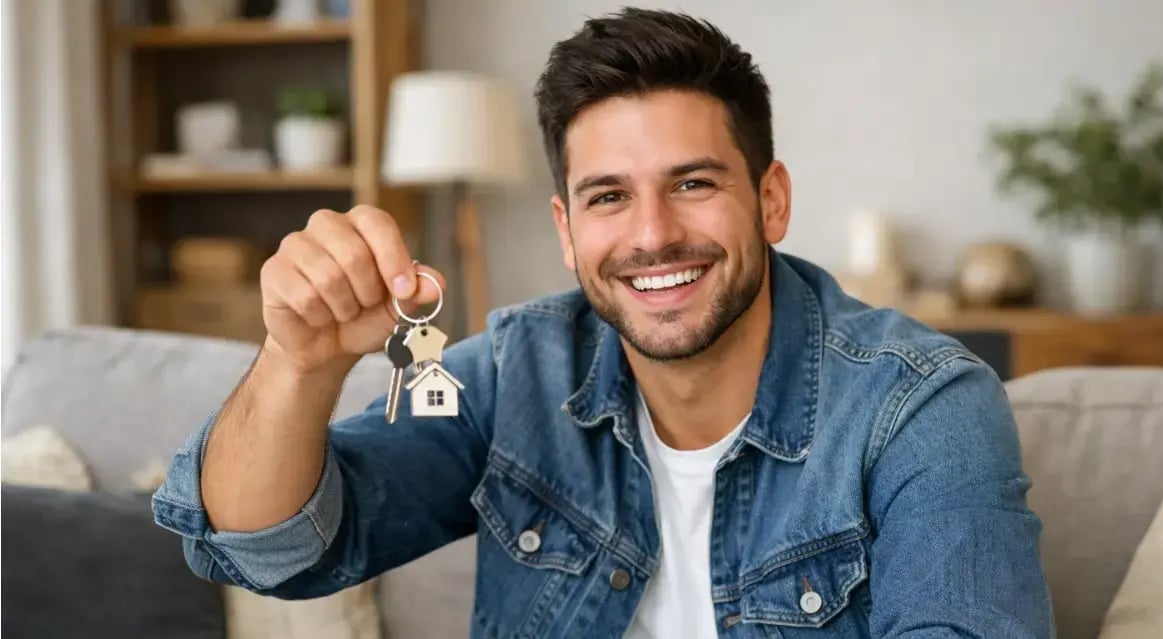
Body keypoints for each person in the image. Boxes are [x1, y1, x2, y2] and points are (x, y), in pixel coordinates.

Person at [152, 7, 1054, 638]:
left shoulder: (922, 408)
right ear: (567, 230)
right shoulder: (517, 371)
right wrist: (296, 360)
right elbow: (273, 547)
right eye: (609, 196)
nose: (653, 234)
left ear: (770, 200)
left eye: (694, 183)